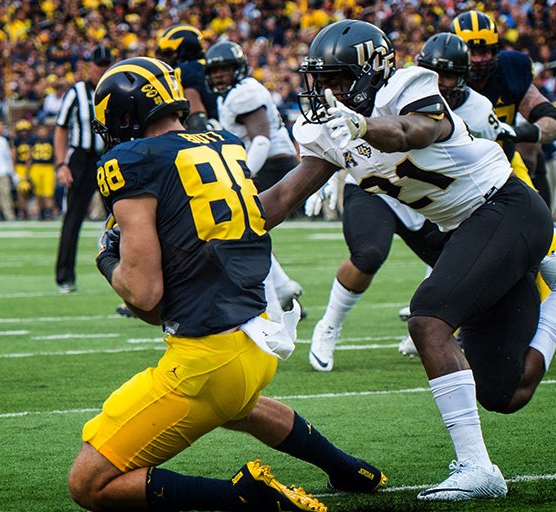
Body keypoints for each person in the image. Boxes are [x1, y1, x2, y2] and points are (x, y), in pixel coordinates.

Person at [256, 20, 556, 501]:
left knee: (428, 318)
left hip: (506, 208)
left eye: (337, 79)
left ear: (372, 72)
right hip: (468, 229)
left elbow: (417, 130)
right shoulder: (327, 127)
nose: (327, 92)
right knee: (503, 393)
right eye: (321, 80)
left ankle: (478, 469)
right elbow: (283, 196)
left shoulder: (407, 85)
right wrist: (211, 228)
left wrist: (365, 125)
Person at [68, 56, 386, 512]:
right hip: (257, 340)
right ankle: (343, 466)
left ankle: (242, 495)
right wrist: (325, 160)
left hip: (209, 359)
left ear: (124, 115)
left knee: (88, 484)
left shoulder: (131, 160)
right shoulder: (225, 142)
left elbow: (144, 295)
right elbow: (266, 207)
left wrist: (106, 259)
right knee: (239, 407)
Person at [204, 40, 302, 320]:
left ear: (238, 69)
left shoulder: (244, 93)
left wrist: (239, 178)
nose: (219, 76)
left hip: (271, 162)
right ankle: (281, 287)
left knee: (234, 227)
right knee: (244, 230)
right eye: (215, 71)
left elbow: (260, 140)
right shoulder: (233, 94)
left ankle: (273, 302)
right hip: (268, 162)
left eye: (225, 69)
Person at [453, 11, 556, 205]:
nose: (478, 60)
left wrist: (515, 132)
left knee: (537, 219)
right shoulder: (441, 79)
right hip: (457, 171)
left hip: (503, 163)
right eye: (471, 52)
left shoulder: (510, 70)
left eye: (484, 52)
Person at [53, 46, 109, 294]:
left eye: (106, 64)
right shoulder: (76, 91)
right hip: (81, 159)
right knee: (73, 218)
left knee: (124, 217)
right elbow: (61, 127)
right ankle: (65, 277)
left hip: (109, 157)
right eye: (99, 64)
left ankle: (131, 274)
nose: (103, 69)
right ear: (90, 66)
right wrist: (61, 163)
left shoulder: (115, 90)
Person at [155, 24, 217, 130]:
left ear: (185, 50)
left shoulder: (187, 69)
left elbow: (196, 116)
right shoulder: (202, 65)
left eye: (168, 53)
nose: (164, 58)